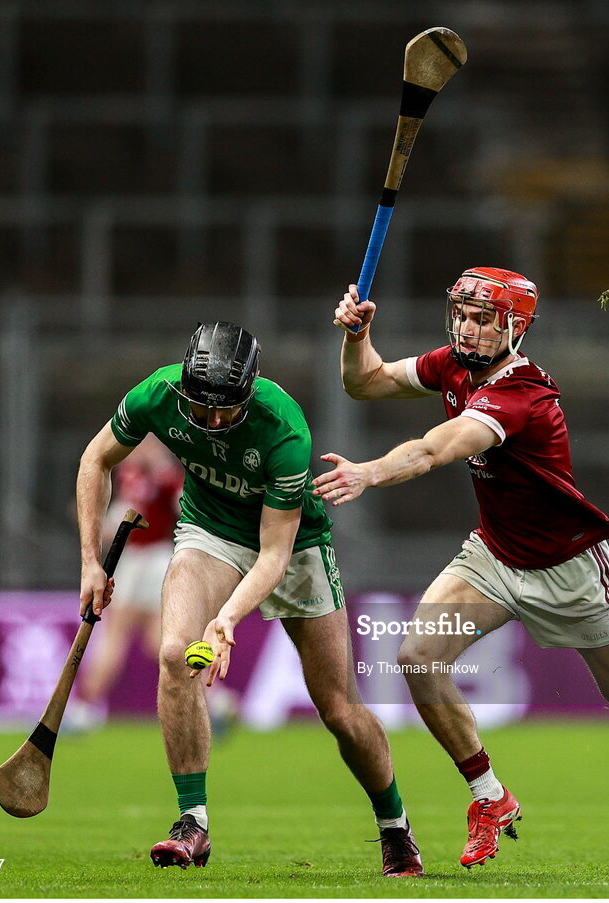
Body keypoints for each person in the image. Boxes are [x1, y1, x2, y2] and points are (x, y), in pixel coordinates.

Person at [313, 268, 609, 875]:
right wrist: (356, 337)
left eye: (485, 318)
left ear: (516, 326)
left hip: (568, 569)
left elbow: (436, 447)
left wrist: (369, 472)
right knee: (417, 658)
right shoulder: (450, 364)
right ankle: (489, 797)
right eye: (462, 313)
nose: (469, 328)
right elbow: (367, 384)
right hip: (494, 555)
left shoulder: (522, 394)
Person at [77, 322, 422, 877]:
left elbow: (273, 555)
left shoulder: (284, 430)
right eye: (202, 406)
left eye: (226, 409)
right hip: (209, 530)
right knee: (172, 655)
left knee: (339, 709)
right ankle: (193, 824)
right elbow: (96, 459)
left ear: (251, 388)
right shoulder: (158, 394)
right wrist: (92, 561)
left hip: (291, 544)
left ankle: (395, 827)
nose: (212, 421)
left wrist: (226, 619)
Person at [66, 435, 183, 732]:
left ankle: (84, 707)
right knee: (159, 642)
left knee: (114, 637)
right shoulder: (147, 473)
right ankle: (215, 699)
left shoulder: (154, 474)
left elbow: (171, 509)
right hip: (159, 560)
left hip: (143, 560)